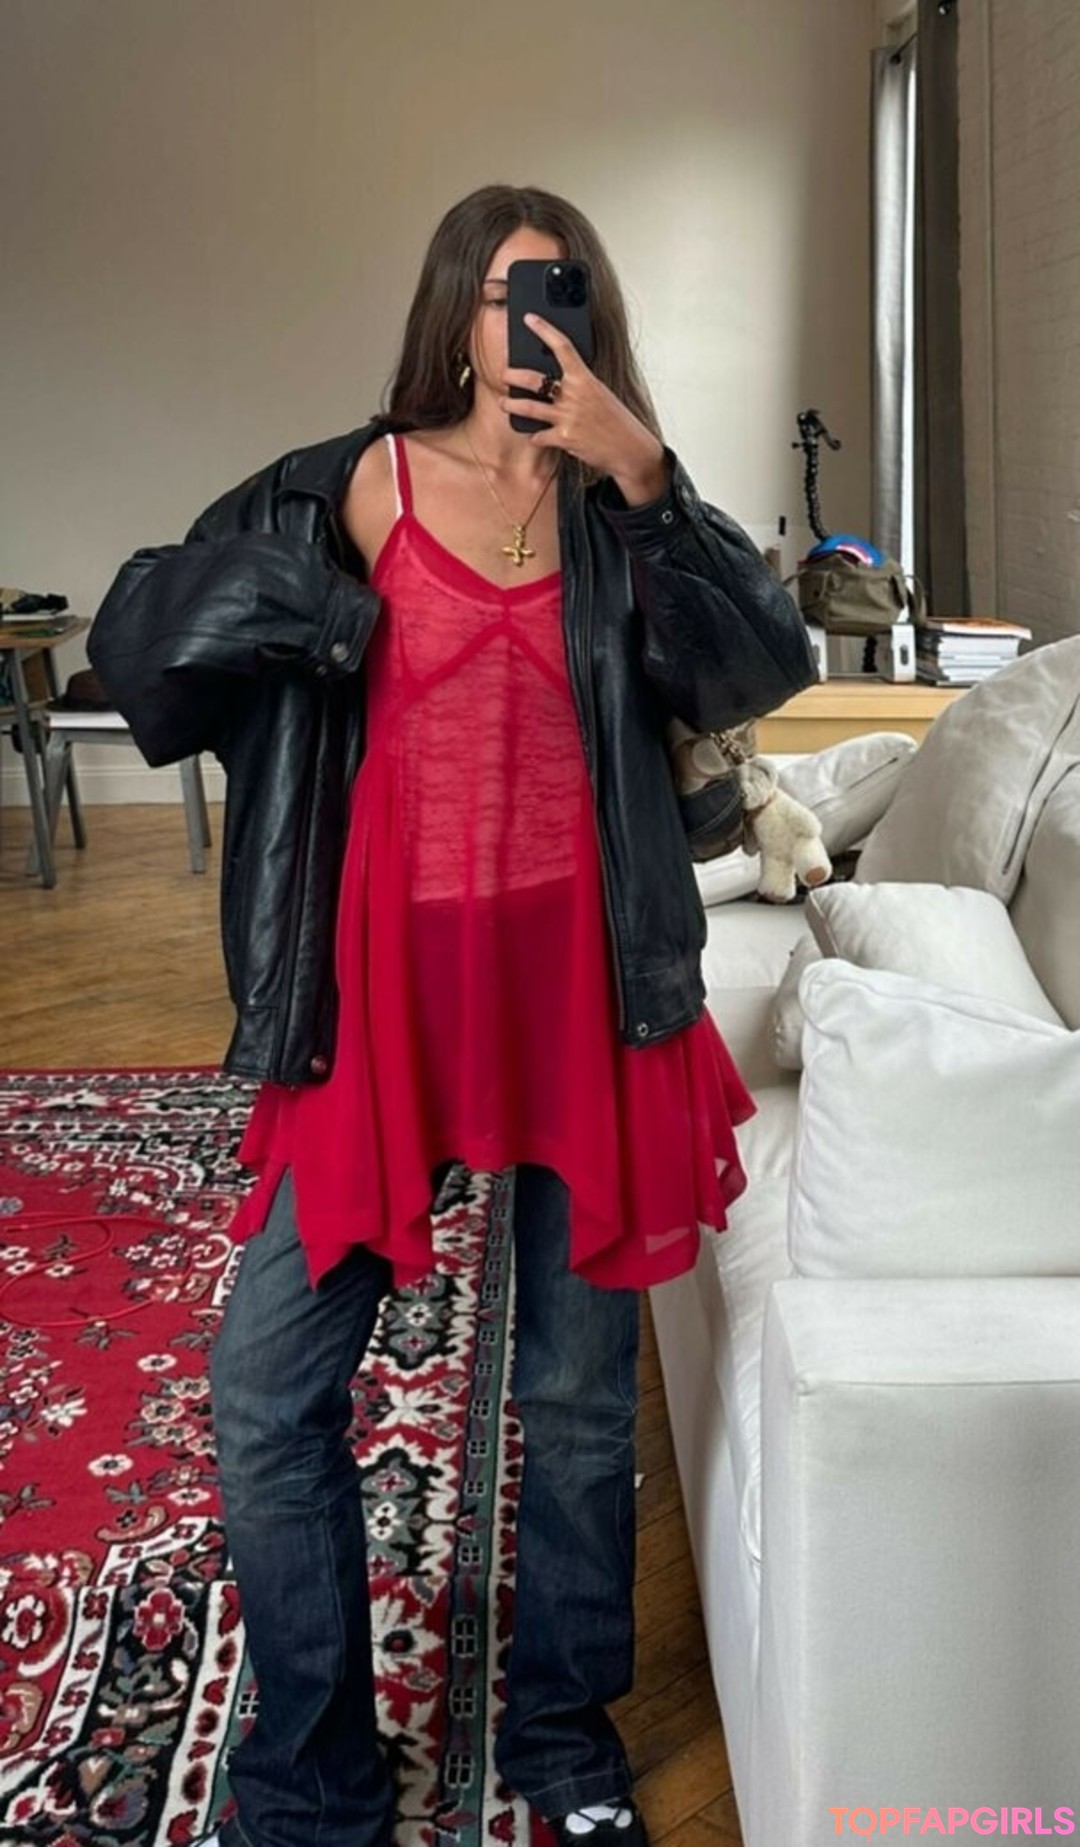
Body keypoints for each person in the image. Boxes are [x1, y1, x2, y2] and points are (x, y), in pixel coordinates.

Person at [89, 183, 817, 1847]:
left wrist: (647, 474)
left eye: (558, 289)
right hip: (387, 1002)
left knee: (575, 1404)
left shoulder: (625, 509)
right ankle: (310, 1771)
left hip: (588, 997)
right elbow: (146, 641)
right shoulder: (350, 483)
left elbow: (755, 664)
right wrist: (307, 612)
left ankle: (561, 1734)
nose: (529, 318)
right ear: (453, 313)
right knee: (265, 1387)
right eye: (501, 291)